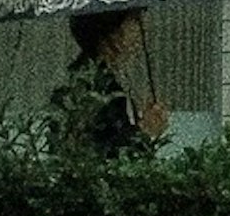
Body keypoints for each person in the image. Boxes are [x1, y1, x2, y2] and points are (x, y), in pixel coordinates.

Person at [51, 10, 169, 158]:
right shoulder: (102, 91)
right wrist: (145, 132)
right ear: (114, 33)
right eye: (135, 22)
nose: (140, 30)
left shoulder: (75, 79)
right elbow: (114, 159)